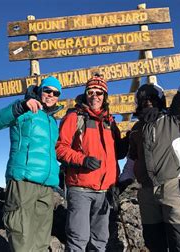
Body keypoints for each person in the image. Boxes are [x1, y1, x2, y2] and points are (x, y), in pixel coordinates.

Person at [128, 33, 180, 252]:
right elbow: (132, 160)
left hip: (172, 186)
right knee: (154, 242)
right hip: (146, 192)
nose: (148, 102)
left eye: (152, 98)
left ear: (161, 100)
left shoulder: (174, 118)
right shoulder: (137, 129)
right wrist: (123, 181)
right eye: (144, 99)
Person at [0, 76, 63, 252]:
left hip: (47, 187)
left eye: (56, 93)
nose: (51, 95)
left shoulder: (52, 121)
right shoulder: (23, 108)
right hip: (23, 182)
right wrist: (20, 107)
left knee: (41, 240)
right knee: (21, 239)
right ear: (40, 90)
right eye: (47, 90)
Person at [56, 74, 127, 251]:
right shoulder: (75, 117)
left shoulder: (110, 122)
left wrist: (129, 141)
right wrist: (83, 160)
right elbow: (60, 149)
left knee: (100, 240)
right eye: (90, 92)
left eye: (99, 92)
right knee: (78, 239)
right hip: (80, 188)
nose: (95, 96)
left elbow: (116, 154)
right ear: (86, 94)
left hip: (105, 191)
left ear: (105, 97)